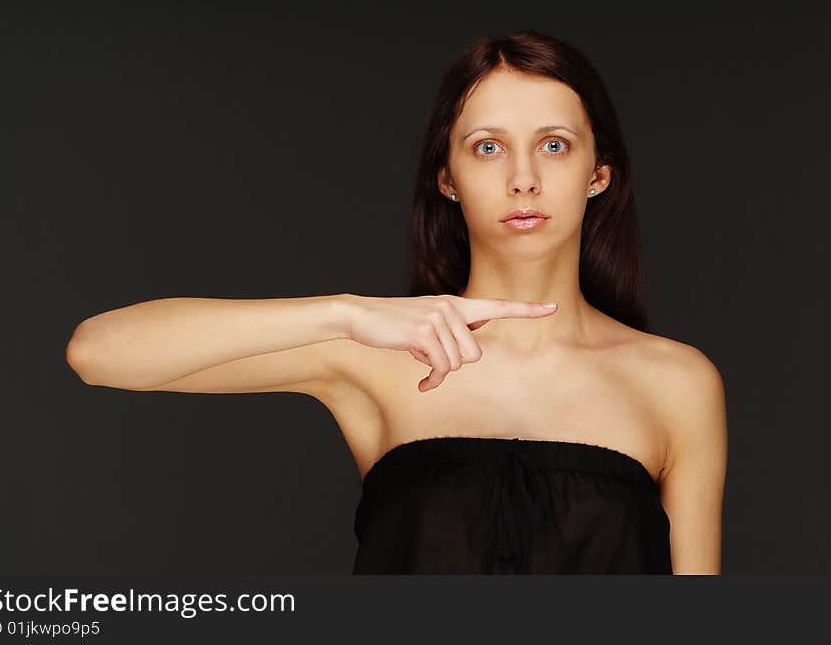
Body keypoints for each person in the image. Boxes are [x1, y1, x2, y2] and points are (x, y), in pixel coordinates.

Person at [66, 30, 727, 575]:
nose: (523, 178)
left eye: (554, 145)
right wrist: (346, 313)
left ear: (598, 173)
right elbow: (97, 352)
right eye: (487, 147)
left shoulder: (675, 382)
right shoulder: (370, 354)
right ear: (448, 178)